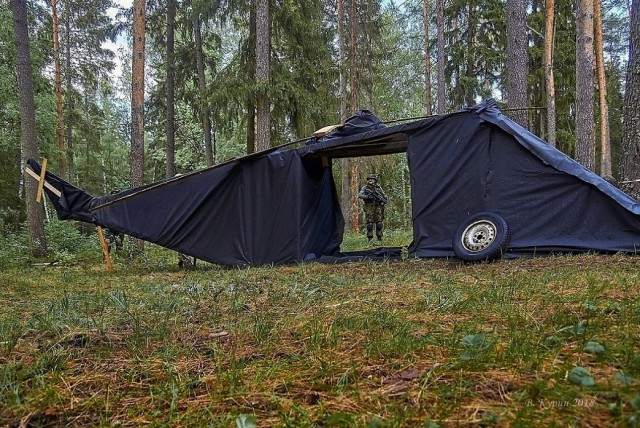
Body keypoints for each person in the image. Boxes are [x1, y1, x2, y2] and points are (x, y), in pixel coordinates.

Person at [358, 174, 388, 242]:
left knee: (379, 223)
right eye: (369, 179)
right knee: (369, 223)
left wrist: (382, 201)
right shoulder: (365, 188)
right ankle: (370, 238)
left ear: (375, 180)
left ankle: (379, 238)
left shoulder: (378, 188)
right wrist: (368, 197)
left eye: (372, 179)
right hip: (369, 207)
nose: (370, 180)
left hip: (378, 207)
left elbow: (384, 197)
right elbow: (360, 195)